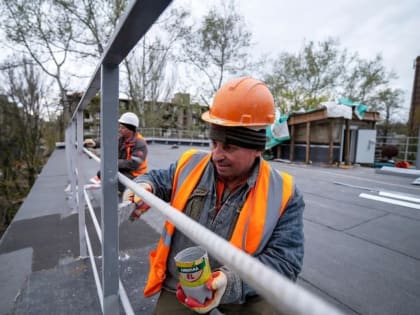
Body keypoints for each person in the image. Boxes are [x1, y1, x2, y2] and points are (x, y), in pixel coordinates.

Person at [125, 77, 304, 314]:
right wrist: (142, 186)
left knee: (273, 307)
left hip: (242, 293)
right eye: (214, 143)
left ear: (258, 148)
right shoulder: (190, 164)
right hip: (182, 285)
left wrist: (231, 283)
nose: (217, 155)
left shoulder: (285, 194)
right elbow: (156, 180)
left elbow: (285, 263)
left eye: (229, 147)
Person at [85, 112, 148, 193]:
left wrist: (113, 163)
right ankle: (122, 189)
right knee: (102, 173)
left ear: (130, 129)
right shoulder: (122, 137)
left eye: (123, 128)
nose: (120, 129)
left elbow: (133, 164)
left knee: (112, 179)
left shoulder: (140, 143)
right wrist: (94, 143)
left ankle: (133, 190)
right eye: (120, 127)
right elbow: (109, 141)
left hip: (135, 175)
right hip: (124, 169)